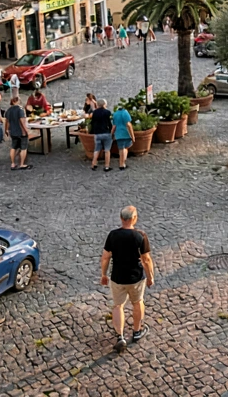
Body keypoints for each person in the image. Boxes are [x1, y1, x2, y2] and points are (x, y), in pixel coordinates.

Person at [100, 205, 154, 353]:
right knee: (138, 302)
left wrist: (103, 275)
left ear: (121, 218)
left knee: (118, 306)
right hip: (136, 277)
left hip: (117, 277)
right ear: (134, 219)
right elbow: (146, 260)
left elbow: (105, 257)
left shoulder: (113, 235)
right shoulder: (140, 236)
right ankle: (137, 332)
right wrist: (150, 277)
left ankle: (120, 336)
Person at [6, 96, 31, 170]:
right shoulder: (20, 110)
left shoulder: (8, 110)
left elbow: (7, 122)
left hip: (13, 132)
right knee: (23, 148)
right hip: (21, 132)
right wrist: (26, 131)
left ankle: (13, 163)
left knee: (13, 147)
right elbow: (22, 121)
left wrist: (6, 130)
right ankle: (22, 164)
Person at [90, 98, 116, 171]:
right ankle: (107, 166)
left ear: (97, 105)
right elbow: (110, 123)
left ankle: (93, 164)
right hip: (106, 133)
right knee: (107, 150)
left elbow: (92, 122)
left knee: (97, 149)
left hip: (97, 133)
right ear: (105, 104)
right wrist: (112, 132)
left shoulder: (94, 113)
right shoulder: (108, 112)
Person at [112, 101, 136, 170]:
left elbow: (114, 126)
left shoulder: (115, 114)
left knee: (121, 148)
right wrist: (132, 136)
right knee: (126, 148)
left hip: (118, 134)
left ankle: (122, 163)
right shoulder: (125, 113)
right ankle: (122, 163)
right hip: (126, 134)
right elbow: (128, 125)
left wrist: (112, 134)